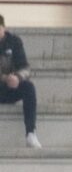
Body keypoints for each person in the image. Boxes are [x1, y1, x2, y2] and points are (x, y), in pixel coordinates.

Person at [0, 14, 41, 148]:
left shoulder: (14, 42)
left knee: (28, 87)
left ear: (3, 28)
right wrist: (5, 78)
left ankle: (30, 133)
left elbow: (25, 68)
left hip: (9, 89)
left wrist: (17, 77)